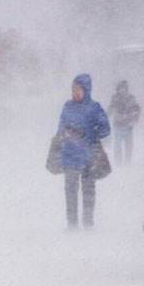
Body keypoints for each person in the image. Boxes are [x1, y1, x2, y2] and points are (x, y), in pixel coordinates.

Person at [56, 74, 110, 229]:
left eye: (78, 89)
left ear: (86, 90)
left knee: (88, 191)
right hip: (70, 155)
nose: (75, 92)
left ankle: (88, 223)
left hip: (89, 156)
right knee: (70, 191)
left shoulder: (94, 107)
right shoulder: (67, 106)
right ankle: (72, 223)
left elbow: (106, 129)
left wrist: (90, 133)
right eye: (73, 89)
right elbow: (60, 127)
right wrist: (65, 135)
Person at [107, 80, 141, 165]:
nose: (122, 90)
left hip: (128, 125)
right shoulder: (115, 98)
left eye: (124, 88)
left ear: (126, 88)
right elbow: (110, 108)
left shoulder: (131, 98)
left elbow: (136, 109)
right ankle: (118, 161)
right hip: (117, 125)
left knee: (128, 144)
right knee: (117, 144)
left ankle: (127, 161)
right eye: (121, 88)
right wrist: (107, 116)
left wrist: (134, 118)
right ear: (118, 89)